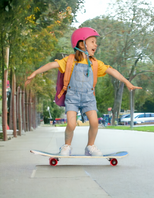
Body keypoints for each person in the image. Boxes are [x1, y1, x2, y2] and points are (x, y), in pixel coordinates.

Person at [25, 27, 142, 156]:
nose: (95, 45)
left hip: (89, 97)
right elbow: (52, 65)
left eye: (95, 42)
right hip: (72, 97)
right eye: (92, 41)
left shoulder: (95, 63)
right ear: (81, 43)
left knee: (94, 123)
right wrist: (34, 73)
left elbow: (112, 71)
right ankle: (66, 147)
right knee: (71, 124)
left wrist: (127, 82)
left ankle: (90, 146)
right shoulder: (70, 61)